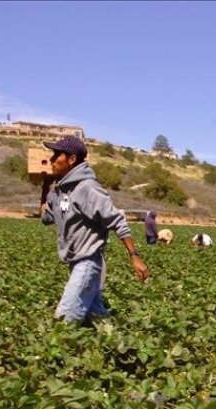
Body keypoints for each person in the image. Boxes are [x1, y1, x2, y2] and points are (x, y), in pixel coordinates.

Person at [41, 136, 149, 323]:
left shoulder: (87, 188)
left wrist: (134, 256)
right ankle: (123, 342)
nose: (51, 159)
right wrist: (44, 187)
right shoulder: (60, 191)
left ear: (72, 159)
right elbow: (46, 217)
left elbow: (117, 221)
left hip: (88, 263)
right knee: (97, 319)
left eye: (57, 154)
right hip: (75, 264)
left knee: (63, 322)